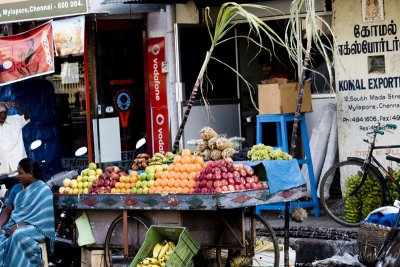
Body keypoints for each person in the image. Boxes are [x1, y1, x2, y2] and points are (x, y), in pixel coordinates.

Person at [0, 158, 55, 267]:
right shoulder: (16, 188)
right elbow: (8, 210)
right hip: (14, 225)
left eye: (20, 173)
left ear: (30, 173)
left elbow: (42, 218)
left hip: (37, 228)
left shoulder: (43, 190)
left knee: (18, 235)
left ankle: (35, 261)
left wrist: (18, 226)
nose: (18, 176)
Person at [0, 102, 30, 174]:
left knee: (22, 184)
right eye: (0, 113)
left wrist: (18, 107)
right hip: (2, 167)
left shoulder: (15, 120)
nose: (3, 115)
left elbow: (27, 117)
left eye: (5, 113)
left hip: (18, 164)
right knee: (4, 184)